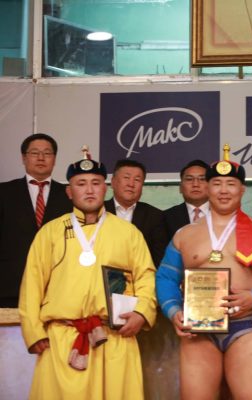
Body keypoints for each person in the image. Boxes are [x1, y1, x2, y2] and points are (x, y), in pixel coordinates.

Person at [156, 145, 252, 399]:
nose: (223, 190)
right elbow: (165, 277)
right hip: (198, 329)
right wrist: (174, 311)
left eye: (231, 184)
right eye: (217, 183)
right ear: (207, 188)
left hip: (245, 325)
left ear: (242, 189)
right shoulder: (185, 234)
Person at [18, 147, 157, 399]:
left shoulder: (128, 233)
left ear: (106, 188)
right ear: (69, 192)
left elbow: (146, 277)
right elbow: (32, 284)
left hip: (114, 338)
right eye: (81, 184)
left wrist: (141, 312)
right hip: (62, 338)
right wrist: (33, 331)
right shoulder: (50, 232)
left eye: (96, 183)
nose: (90, 190)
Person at [0, 133, 72, 308]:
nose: (41, 158)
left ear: (54, 159)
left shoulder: (69, 195)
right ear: (24, 158)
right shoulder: (4, 192)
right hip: (10, 287)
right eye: (34, 153)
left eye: (47, 153)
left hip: (57, 288)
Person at [105, 159, 168, 267]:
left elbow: (159, 259)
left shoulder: (155, 216)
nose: (131, 184)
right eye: (126, 178)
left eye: (137, 180)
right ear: (113, 182)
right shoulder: (99, 211)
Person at [164, 159, 210, 239]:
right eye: (189, 179)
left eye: (202, 179)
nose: (195, 184)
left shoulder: (224, 214)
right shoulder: (165, 217)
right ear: (180, 187)